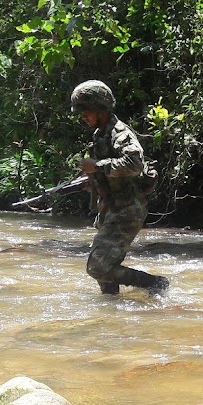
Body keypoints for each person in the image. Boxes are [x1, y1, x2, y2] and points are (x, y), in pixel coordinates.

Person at [70, 79, 169, 295]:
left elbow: (134, 164)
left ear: (100, 108)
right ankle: (112, 309)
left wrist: (97, 166)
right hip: (110, 208)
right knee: (105, 271)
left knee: (98, 266)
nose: (83, 117)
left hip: (127, 209)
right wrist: (91, 179)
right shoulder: (100, 134)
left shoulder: (120, 133)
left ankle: (155, 283)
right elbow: (110, 171)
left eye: (86, 112)